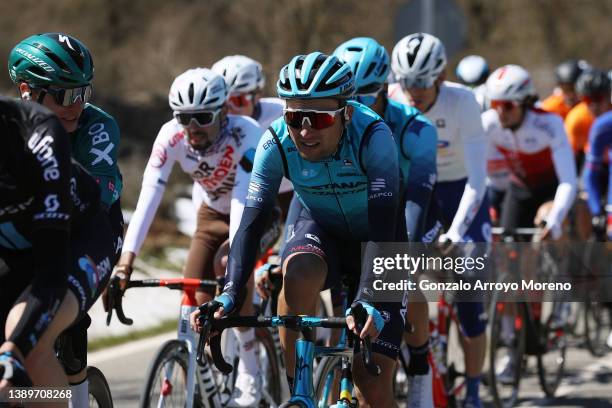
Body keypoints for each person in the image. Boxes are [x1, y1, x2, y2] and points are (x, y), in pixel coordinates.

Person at [193, 51, 404, 407]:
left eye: (319, 119)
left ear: (346, 113)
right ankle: (300, 392)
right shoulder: (275, 141)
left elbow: (383, 230)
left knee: (372, 386)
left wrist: (369, 299)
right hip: (320, 228)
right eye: (295, 116)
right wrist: (229, 294)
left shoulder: (374, 137)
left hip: (379, 240)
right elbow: (251, 221)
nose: (304, 130)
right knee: (297, 275)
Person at [115, 67, 275, 407]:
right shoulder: (170, 135)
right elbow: (150, 193)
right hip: (209, 214)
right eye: (183, 117)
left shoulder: (245, 132)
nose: (192, 128)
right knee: (195, 291)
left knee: (228, 264)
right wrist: (127, 259)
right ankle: (199, 371)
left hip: (251, 211)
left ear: (223, 112)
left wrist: (235, 266)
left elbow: (242, 201)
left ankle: (249, 365)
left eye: (202, 117)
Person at [8, 32, 124, 406]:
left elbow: (100, 196)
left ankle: (73, 393)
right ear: (27, 91)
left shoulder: (97, 127)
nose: (76, 105)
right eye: (63, 95)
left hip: (93, 225)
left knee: (52, 330)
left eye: (82, 92)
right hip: (32, 230)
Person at [333, 36, 438, 408]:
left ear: (386, 86)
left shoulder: (416, 127)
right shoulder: (336, 123)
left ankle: (421, 369)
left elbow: (415, 200)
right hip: (359, 213)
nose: (359, 102)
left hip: (412, 207)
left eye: (369, 92)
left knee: (404, 273)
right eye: (351, 94)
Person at [389, 32, 490, 408]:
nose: (413, 90)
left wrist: (458, 230)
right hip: (420, 190)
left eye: (422, 82)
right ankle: (414, 361)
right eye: (406, 81)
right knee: (401, 268)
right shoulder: (394, 97)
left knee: (467, 289)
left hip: (463, 192)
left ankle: (475, 389)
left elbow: (479, 180)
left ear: (442, 75)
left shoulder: (463, 102)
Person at [483, 65, 577, 379]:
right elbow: (475, 173)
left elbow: (568, 181)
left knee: (548, 228)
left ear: (525, 102)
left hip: (551, 189)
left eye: (507, 106)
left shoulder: (549, 124)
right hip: (519, 190)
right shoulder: (489, 125)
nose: (500, 113)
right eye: (495, 105)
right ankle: (511, 346)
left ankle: (562, 297)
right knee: (509, 269)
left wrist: (556, 219)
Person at [565, 69, 612, 171]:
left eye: (598, 98)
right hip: (592, 162)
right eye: (587, 99)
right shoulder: (576, 119)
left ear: (608, 96)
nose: (593, 105)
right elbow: (571, 158)